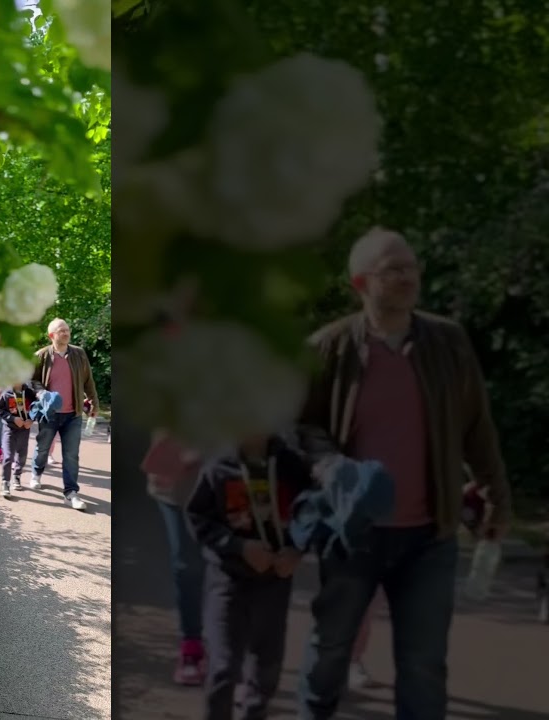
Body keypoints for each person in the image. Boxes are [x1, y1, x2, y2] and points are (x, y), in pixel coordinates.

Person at [294, 227, 512, 719]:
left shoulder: (447, 342)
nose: (407, 277)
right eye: (393, 269)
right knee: (330, 651)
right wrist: (331, 467)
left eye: (412, 267)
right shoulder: (329, 348)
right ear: (360, 282)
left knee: (423, 665)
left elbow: (477, 425)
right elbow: (299, 427)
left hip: (429, 536)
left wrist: (497, 497)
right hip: (352, 534)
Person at [186, 431, 314, 720]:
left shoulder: (292, 466)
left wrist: (296, 550)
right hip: (227, 580)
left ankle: (255, 713)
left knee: (266, 666)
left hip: (274, 582)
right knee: (223, 666)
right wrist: (238, 546)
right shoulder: (219, 466)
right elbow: (198, 518)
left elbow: (312, 514)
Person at [140, 430, 207, 685]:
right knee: (187, 565)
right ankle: (192, 645)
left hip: (230, 473)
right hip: (178, 478)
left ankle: (233, 651)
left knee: (230, 561)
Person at [30, 318, 99, 511]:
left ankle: (70, 493)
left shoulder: (79, 354)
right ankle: (36, 473)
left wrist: (94, 403)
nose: (66, 333)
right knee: (43, 449)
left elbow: (88, 380)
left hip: (73, 414)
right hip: (49, 414)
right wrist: (42, 393)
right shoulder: (41, 356)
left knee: (71, 455)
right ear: (52, 335)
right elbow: (32, 381)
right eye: (62, 331)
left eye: (67, 330)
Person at [0, 381, 37, 497]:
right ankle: (5, 483)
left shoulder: (29, 393)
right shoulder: (7, 393)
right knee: (8, 456)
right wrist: (12, 419)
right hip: (10, 430)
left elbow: (36, 408)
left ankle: (17, 475)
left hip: (24, 430)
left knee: (22, 455)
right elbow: (0, 410)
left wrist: (31, 420)